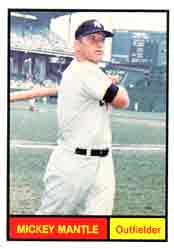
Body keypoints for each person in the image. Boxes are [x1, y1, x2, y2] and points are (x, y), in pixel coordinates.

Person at [11, 19, 129, 215]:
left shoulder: (89, 72)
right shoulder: (84, 71)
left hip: (102, 162)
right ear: (77, 45)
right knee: (49, 225)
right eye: (92, 39)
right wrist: (115, 86)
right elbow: (122, 101)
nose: (99, 44)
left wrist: (108, 83)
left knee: (98, 226)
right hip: (74, 162)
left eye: (101, 40)